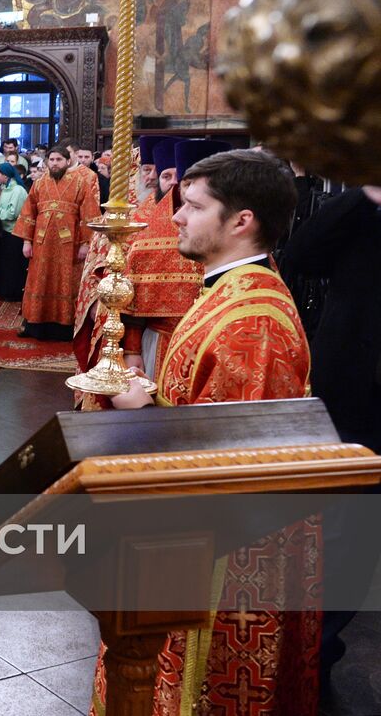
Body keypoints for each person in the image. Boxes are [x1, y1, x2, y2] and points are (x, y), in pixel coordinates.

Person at [105, 149, 318, 715]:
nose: (174, 216)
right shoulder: (226, 290)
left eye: (194, 207)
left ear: (241, 221)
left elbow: (234, 461)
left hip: (223, 565)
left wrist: (140, 412)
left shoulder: (254, 321)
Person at [283, 183, 381, 686]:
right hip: (353, 392)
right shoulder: (361, 210)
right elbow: (301, 253)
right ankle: (316, 651)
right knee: (344, 525)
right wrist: (367, 195)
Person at [118, 140, 225, 378]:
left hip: (221, 345)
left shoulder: (239, 234)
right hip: (163, 341)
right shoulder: (152, 230)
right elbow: (133, 304)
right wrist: (132, 350)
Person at [13, 145, 99, 340]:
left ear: (68, 161)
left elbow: (89, 214)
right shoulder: (40, 183)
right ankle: (35, 325)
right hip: (41, 244)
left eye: (59, 159)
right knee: (39, 282)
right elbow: (29, 213)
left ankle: (64, 328)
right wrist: (27, 241)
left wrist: (86, 243)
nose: (54, 163)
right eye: (51, 160)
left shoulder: (80, 182)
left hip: (69, 245)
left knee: (66, 282)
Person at [0, 162, 28, 300]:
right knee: (6, 263)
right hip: (6, 232)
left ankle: (13, 292)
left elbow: (11, 214)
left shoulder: (17, 190)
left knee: (13, 264)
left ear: (5, 175)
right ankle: (5, 290)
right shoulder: (4, 188)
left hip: (15, 233)